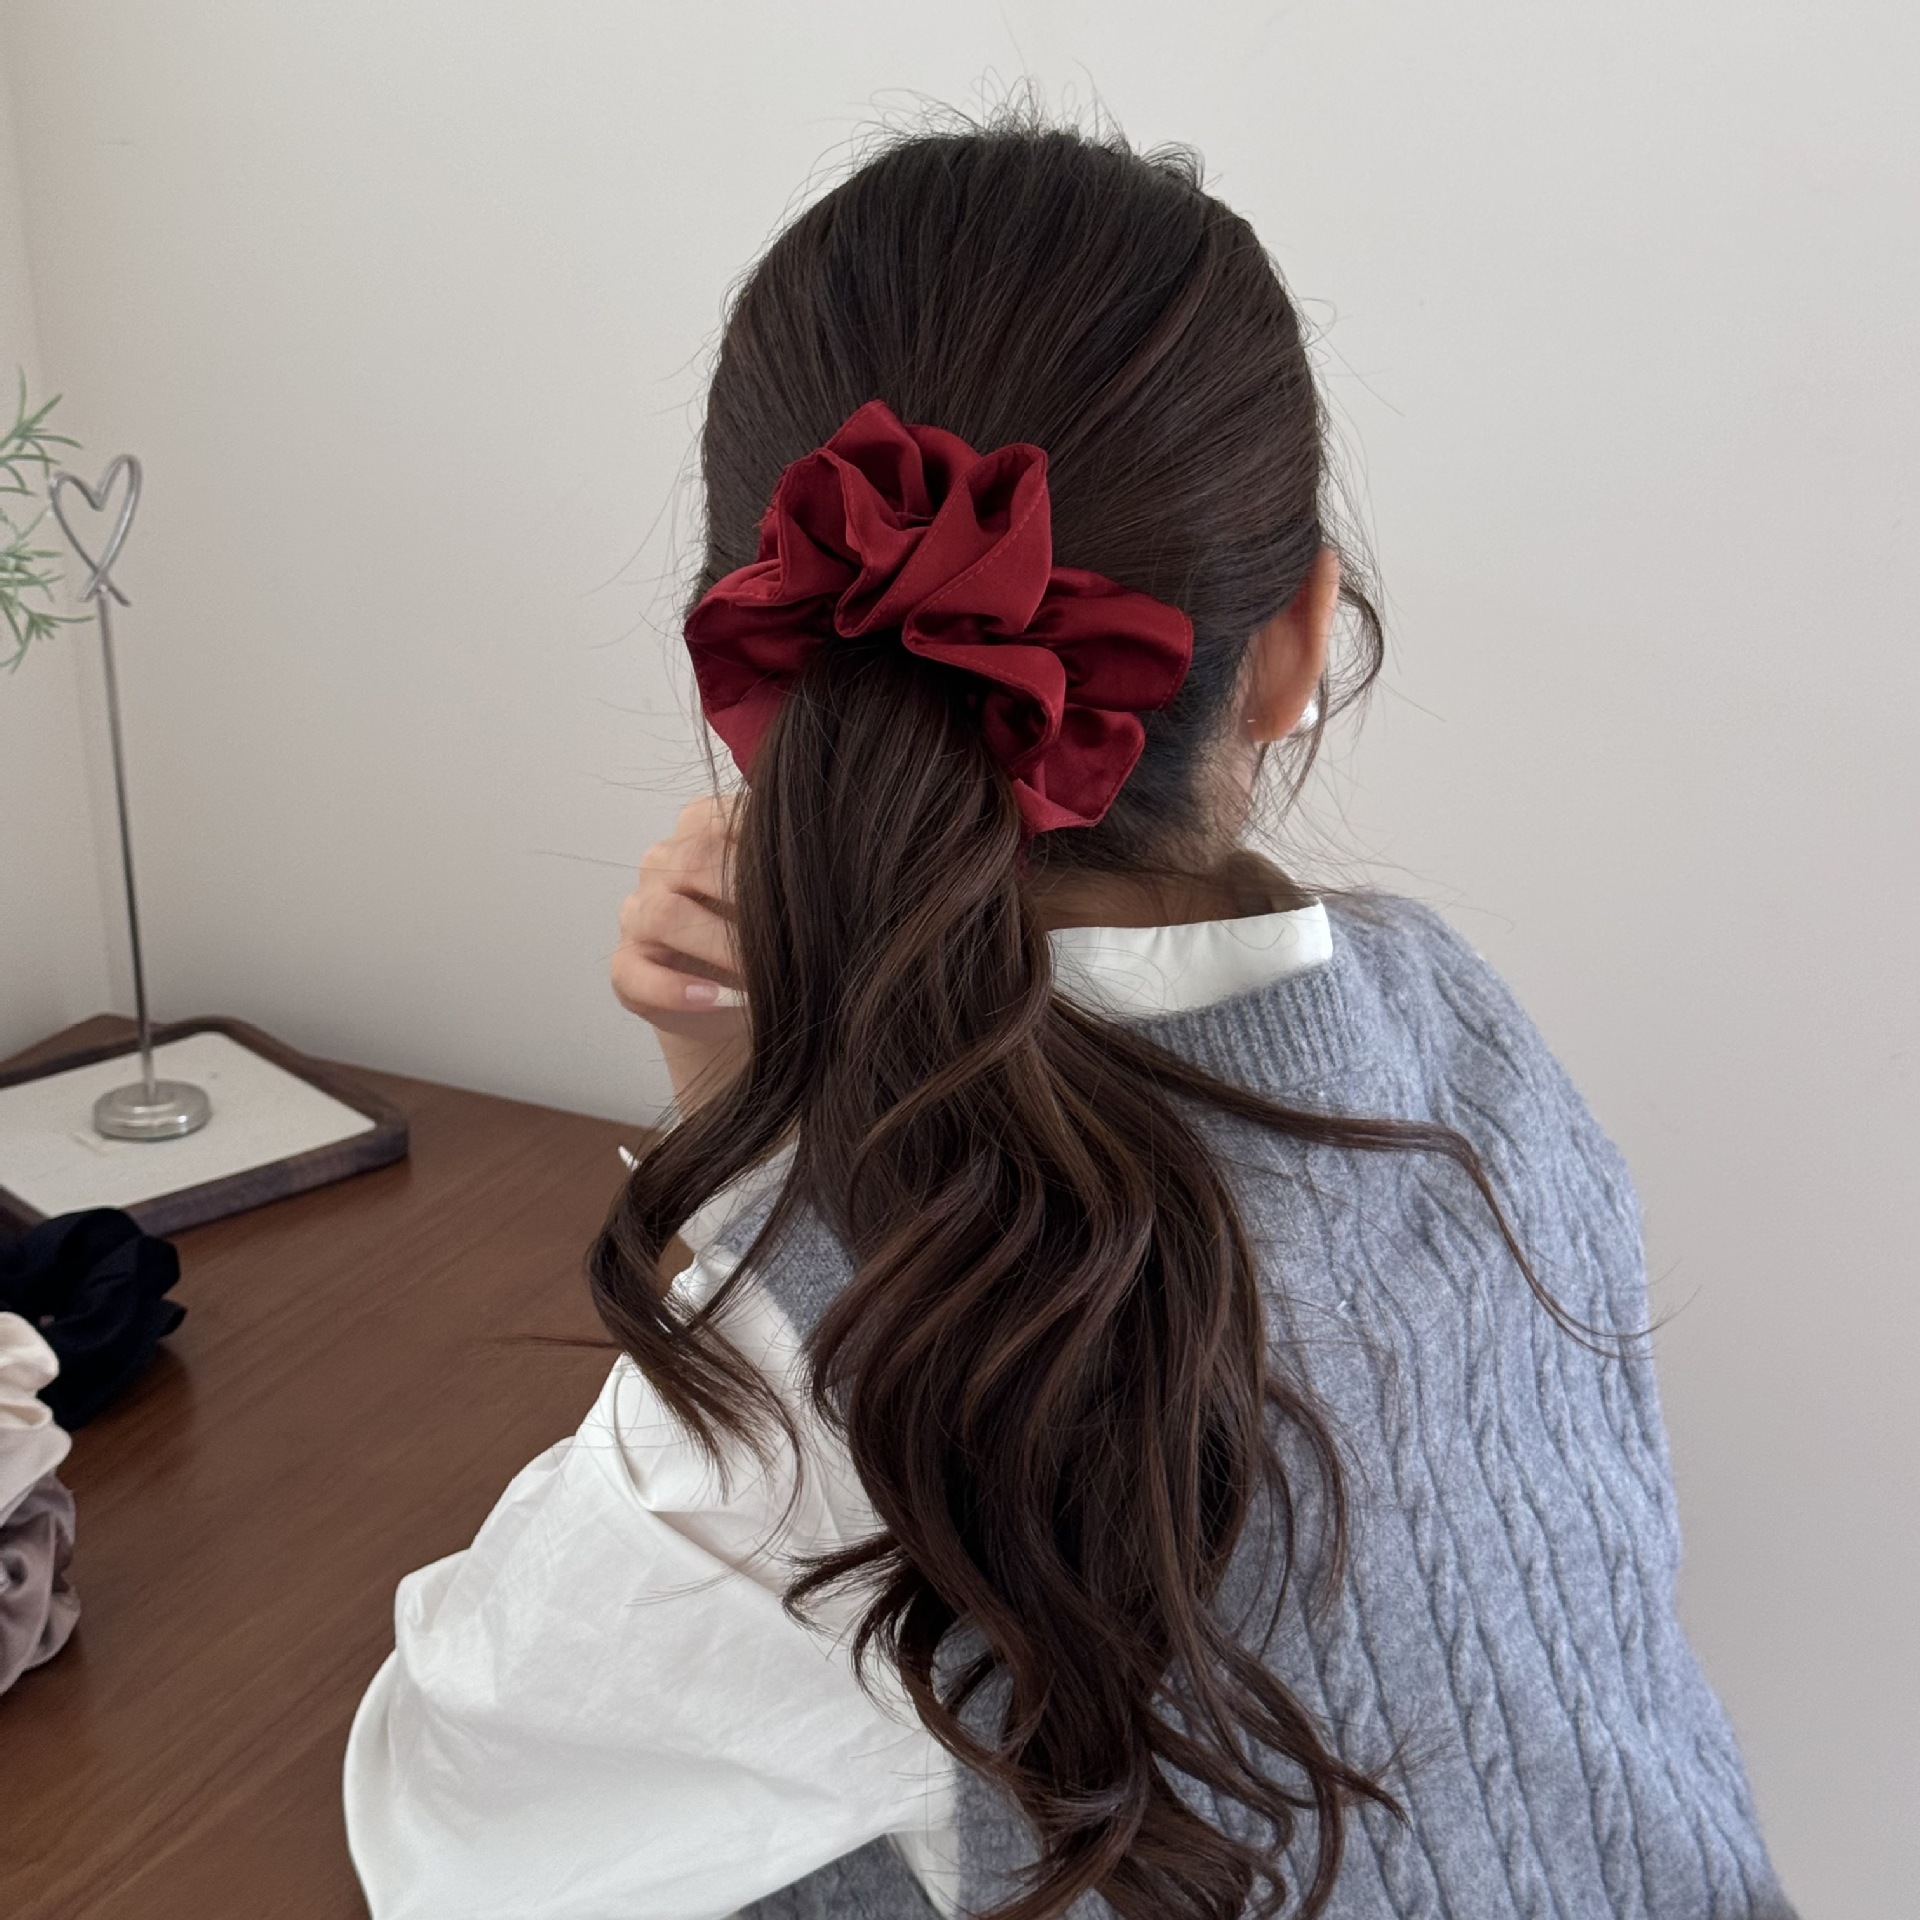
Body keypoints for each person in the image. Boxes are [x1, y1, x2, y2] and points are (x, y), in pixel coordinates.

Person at [343, 117, 1794, 1920]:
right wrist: (751, 1103)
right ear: (1297, 642)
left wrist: (764, 1211)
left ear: (758, 661)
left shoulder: (851, 1366)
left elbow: (455, 1818)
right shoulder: (1457, 1029)